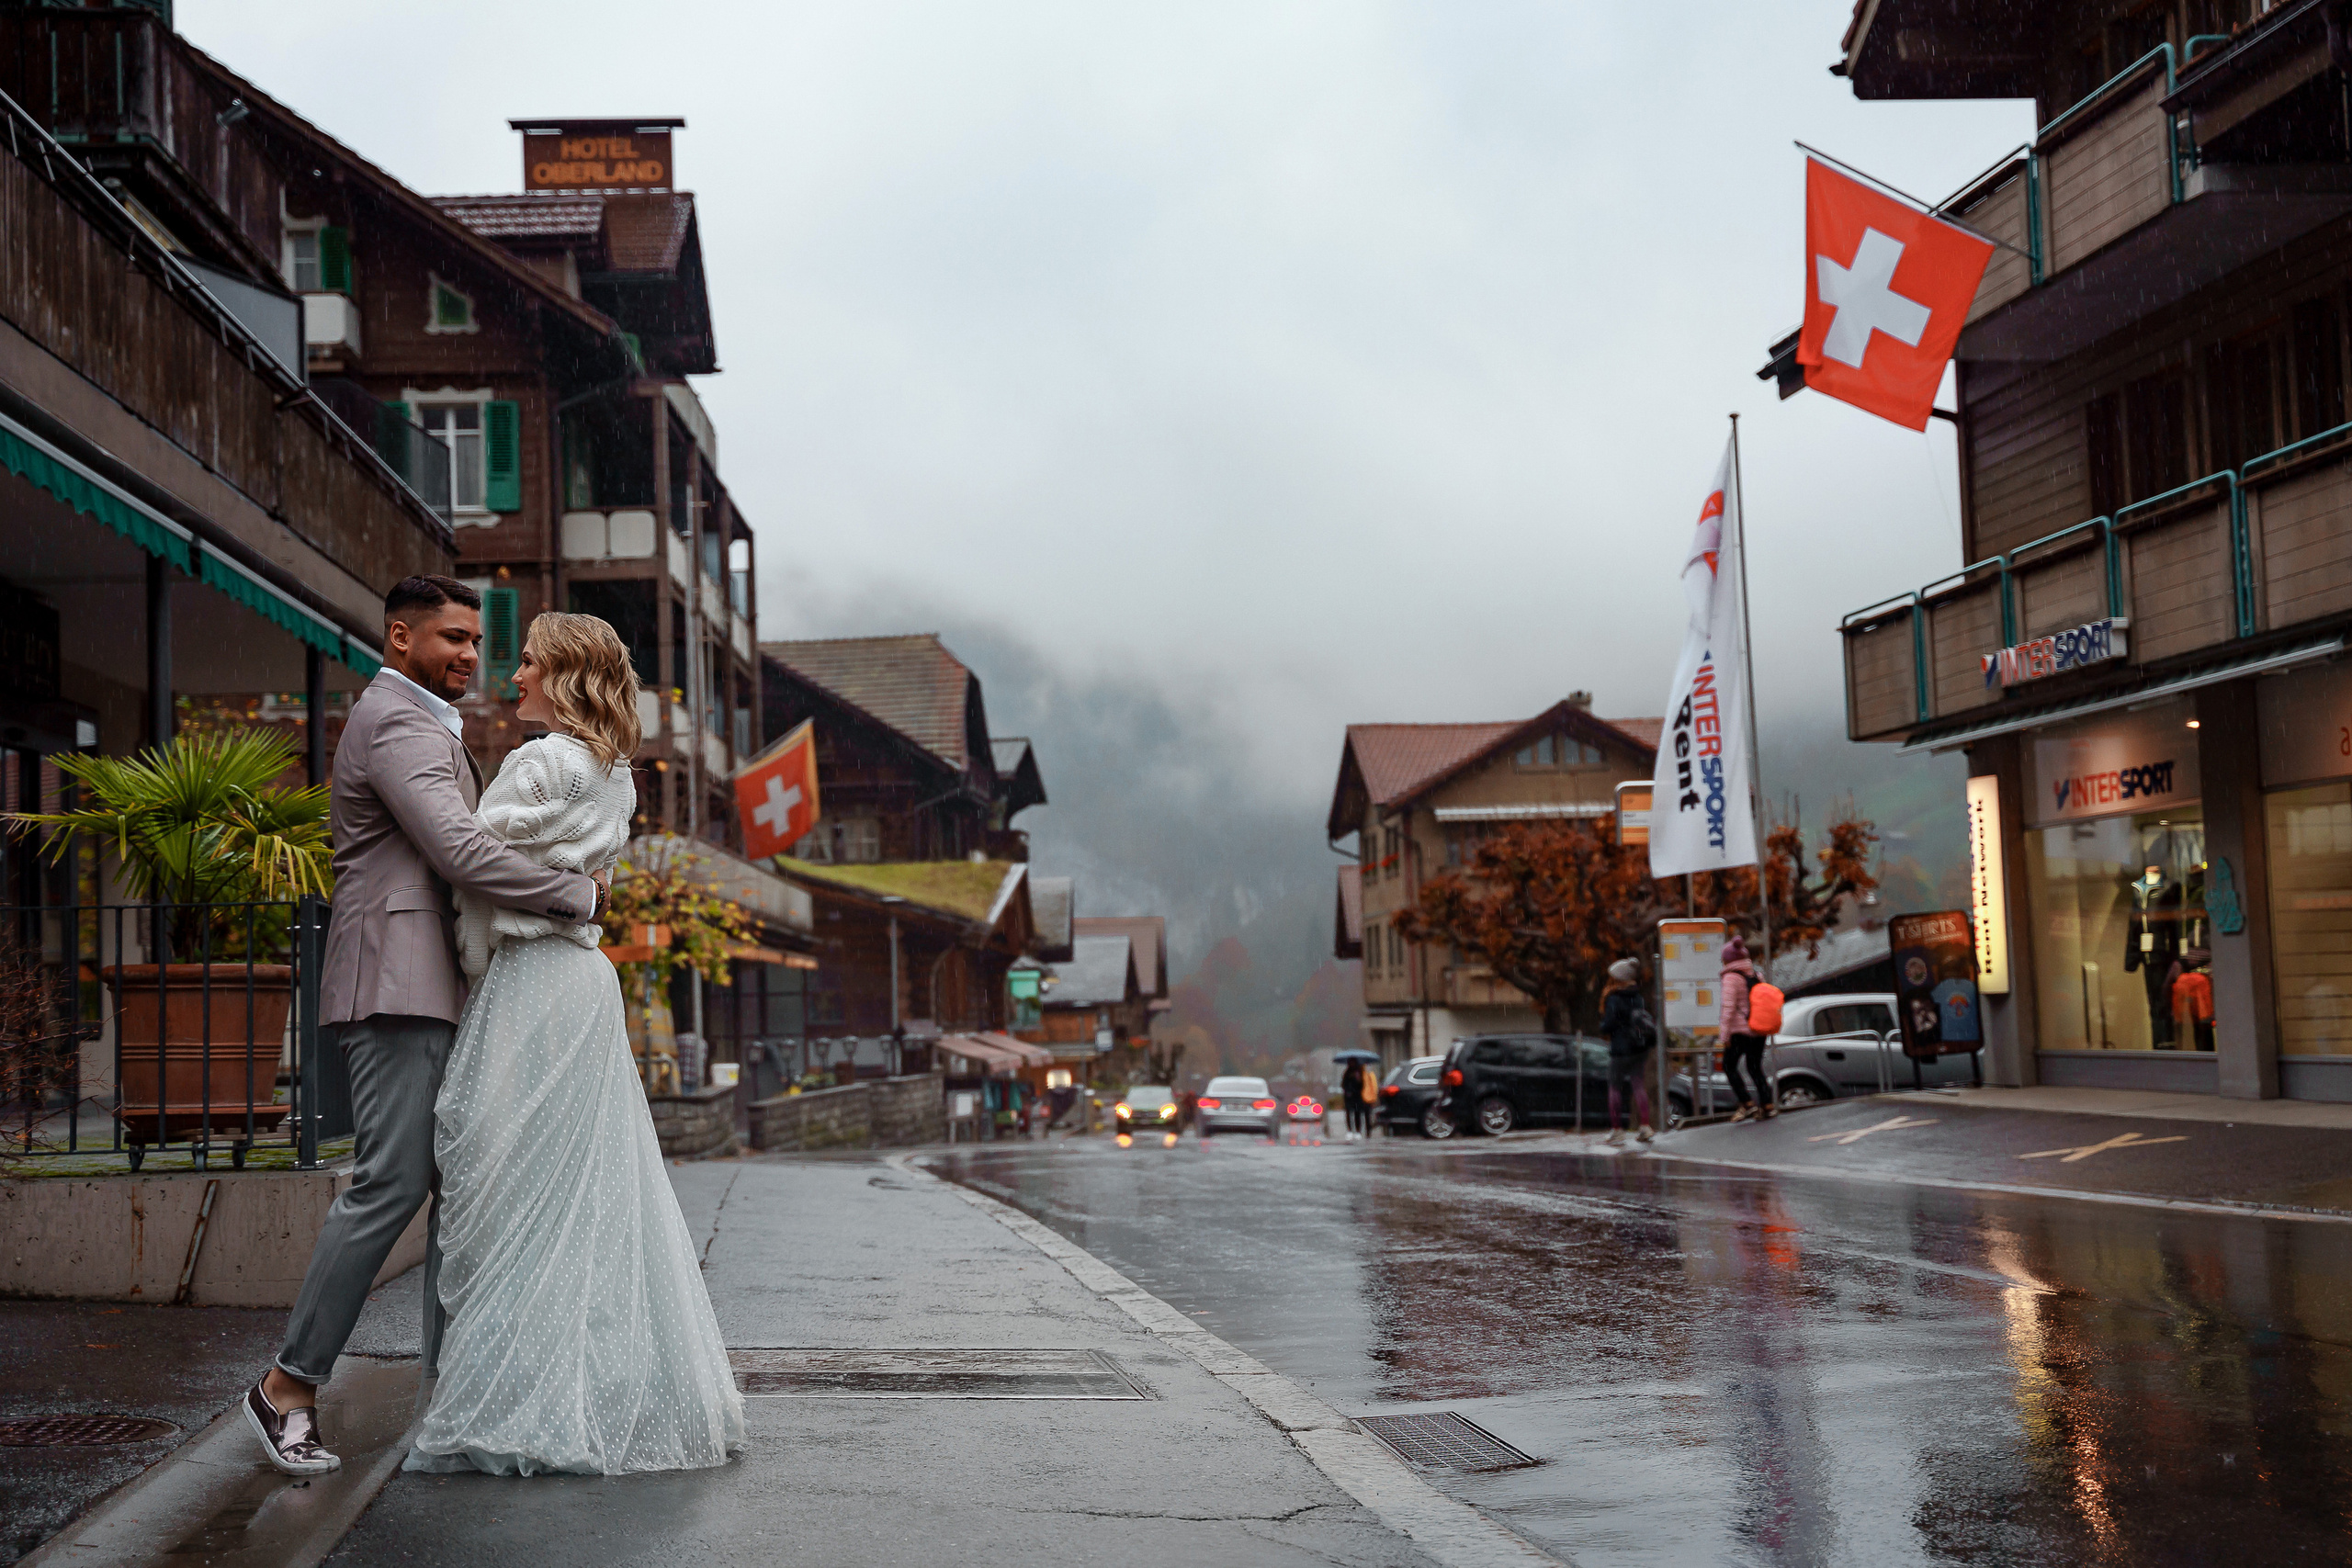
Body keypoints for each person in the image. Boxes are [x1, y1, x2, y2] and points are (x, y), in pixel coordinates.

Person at [246, 577, 610, 1477]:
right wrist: (577, 896)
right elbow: (457, 850)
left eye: (475, 641)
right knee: (391, 1183)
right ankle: (287, 1387)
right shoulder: (400, 722)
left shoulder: (427, 725)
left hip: (433, 985)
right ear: (399, 636)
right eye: (449, 637)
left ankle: (460, 1394)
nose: (466, 655)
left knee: (462, 1184)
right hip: (396, 985)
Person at [1599, 958, 1656, 1146]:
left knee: (1614, 1087)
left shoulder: (1614, 998)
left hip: (1621, 1050)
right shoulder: (1638, 997)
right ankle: (1645, 1126)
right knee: (1638, 1085)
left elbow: (1609, 1025)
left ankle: (1617, 1130)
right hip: (1639, 1048)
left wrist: (1603, 1026)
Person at [1720, 936, 1774, 1122]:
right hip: (1758, 1030)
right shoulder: (1756, 975)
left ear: (1727, 960)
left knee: (1728, 1065)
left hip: (1740, 1032)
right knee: (1754, 1068)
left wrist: (1724, 1034)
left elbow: (1728, 1007)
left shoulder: (1731, 978)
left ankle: (1747, 1104)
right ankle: (1767, 1105)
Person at [1339, 1059, 1366, 1140]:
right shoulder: (1347, 1073)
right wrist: (1348, 1091)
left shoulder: (1359, 1073)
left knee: (1357, 1114)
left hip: (1357, 1097)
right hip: (1348, 1097)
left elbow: (1362, 1085)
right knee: (1349, 1113)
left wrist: (1358, 1080)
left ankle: (1358, 1131)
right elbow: (1343, 1084)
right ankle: (1350, 1130)